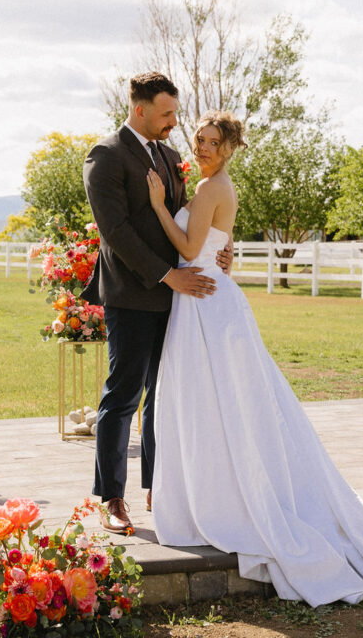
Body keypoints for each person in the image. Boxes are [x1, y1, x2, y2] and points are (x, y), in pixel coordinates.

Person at [147, 110, 363, 606]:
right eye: (199, 139)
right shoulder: (216, 185)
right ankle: (213, 493)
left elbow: (186, 245)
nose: (202, 147)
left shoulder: (208, 189)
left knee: (214, 405)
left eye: (211, 142)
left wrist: (159, 205)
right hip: (210, 297)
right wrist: (222, 250)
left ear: (227, 148)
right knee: (217, 406)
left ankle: (228, 500)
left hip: (204, 303)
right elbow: (216, 243)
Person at [82, 72, 232, 535]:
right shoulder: (105, 155)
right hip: (131, 296)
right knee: (123, 396)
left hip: (178, 300)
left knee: (162, 399)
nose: (173, 122)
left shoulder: (169, 158)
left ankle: (158, 487)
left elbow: (188, 226)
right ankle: (112, 498)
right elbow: (116, 232)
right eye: (166, 113)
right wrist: (169, 275)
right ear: (139, 108)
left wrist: (222, 249)